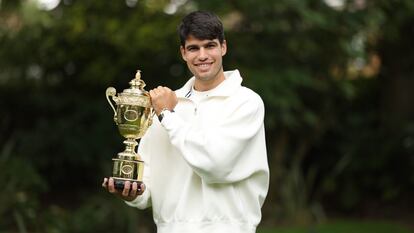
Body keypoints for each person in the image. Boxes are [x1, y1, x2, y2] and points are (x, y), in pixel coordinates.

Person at [102, 10, 269, 233]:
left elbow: (215, 165)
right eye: (193, 48)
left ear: (223, 47)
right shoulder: (167, 105)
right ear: (183, 52)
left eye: (209, 46)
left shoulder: (245, 102)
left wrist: (167, 116)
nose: (202, 55)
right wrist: (134, 193)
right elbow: (148, 178)